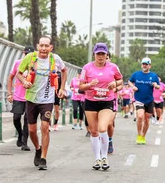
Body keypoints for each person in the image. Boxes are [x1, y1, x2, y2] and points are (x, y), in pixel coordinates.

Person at [16, 36, 67, 170]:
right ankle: (37, 149)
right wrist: (24, 81)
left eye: (47, 46)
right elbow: (19, 73)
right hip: (32, 99)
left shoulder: (55, 59)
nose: (44, 48)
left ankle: (43, 158)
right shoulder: (30, 58)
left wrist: (61, 88)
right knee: (32, 130)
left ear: (51, 47)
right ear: (38, 46)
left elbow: (64, 70)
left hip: (47, 100)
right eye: (41, 45)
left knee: (44, 127)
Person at [79, 43, 123, 170]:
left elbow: (120, 80)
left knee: (103, 128)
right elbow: (81, 86)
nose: (100, 56)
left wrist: (114, 83)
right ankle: (97, 158)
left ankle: (104, 157)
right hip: (91, 101)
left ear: (107, 55)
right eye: (98, 54)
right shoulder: (87, 68)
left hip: (106, 101)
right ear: (94, 54)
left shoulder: (113, 67)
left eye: (103, 54)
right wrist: (89, 85)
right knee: (93, 131)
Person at [7, 46, 35, 151]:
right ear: (23, 53)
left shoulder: (36, 65)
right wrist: (9, 94)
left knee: (28, 120)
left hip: (30, 97)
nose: (27, 56)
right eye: (26, 54)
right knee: (16, 118)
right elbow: (10, 78)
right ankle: (20, 134)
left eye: (30, 54)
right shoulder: (18, 63)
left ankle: (25, 142)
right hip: (18, 96)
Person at [129, 57, 161, 145]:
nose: (144, 65)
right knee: (140, 116)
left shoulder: (154, 76)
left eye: (146, 64)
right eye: (143, 64)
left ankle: (143, 136)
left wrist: (155, 84)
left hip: (149, 100)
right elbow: (129, 81)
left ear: (150, 66)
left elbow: (158, 86)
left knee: (147, 119)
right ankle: (139, 134)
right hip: (139, 99)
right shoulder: (136, 74)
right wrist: (133, 87)